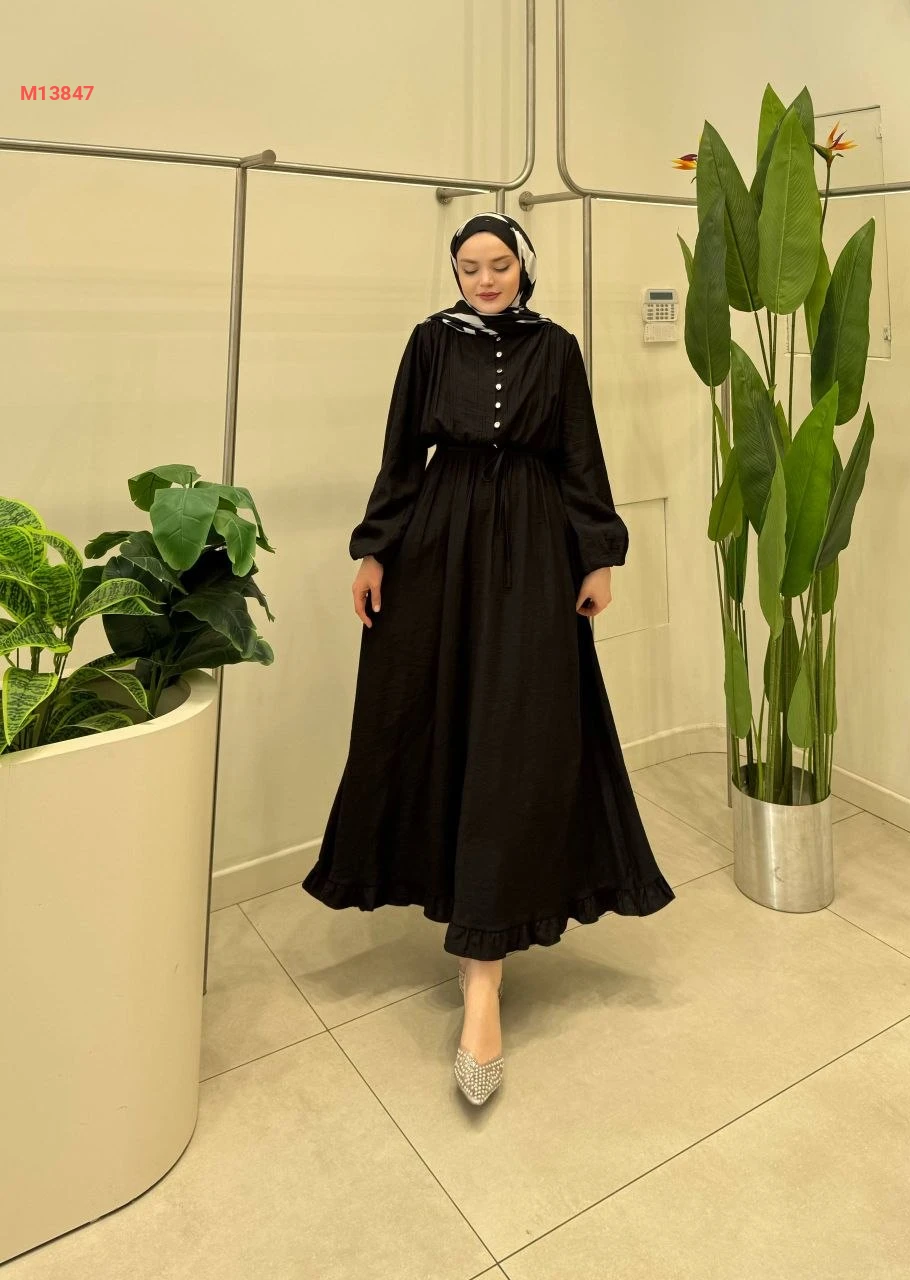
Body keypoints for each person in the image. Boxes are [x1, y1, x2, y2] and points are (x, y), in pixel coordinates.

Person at [301, 211, 675, 1105]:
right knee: (435, 720)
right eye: (469, 266)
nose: (484, 278)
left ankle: (485, 970)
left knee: (522, 732)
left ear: (523, 267)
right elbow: (401, 455)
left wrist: (598, 556)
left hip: (535, 546)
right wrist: (375, 550)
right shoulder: (430, 342)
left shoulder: (558, 349)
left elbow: (581, 455)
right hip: (439, 545)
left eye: (498, 263)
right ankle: (473, 955)